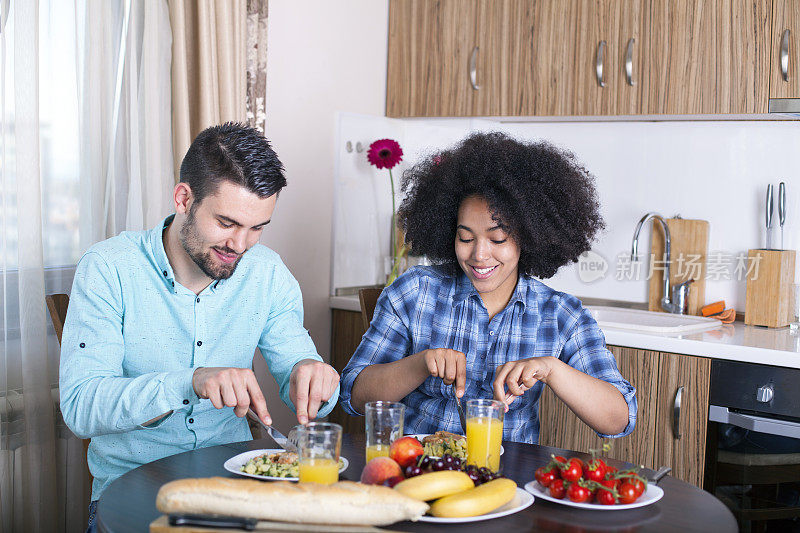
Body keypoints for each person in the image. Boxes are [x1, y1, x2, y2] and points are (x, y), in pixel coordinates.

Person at [59, 122, 340, 525]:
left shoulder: (268, 274)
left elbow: (302, 371)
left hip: (236, 488)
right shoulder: (108, 267)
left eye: (256, 228)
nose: (240, 246)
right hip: (135, 492)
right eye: (226, 223)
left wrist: (311, 376)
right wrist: (189, 381)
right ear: (183, 198)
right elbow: (81, 406)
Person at [340, 131, 636, 444]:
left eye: (498, 239)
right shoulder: (414, 293)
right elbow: (354, 396)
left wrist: (552, 369)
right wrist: (420, 363)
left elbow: (619, 419)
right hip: (417, 470)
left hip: (507, 480)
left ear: (530, 235)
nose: (479, 255)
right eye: (465, 238)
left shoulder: (561, 315)